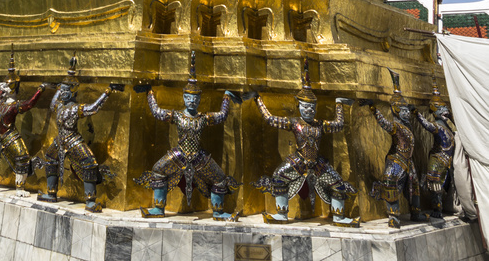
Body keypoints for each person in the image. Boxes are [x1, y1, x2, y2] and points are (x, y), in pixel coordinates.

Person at [134, 51, 240, 220]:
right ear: (183, 98)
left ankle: (218, 211)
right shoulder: (177, 116)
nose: (192, 101)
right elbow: (156, 112)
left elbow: (222, 115)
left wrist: (226, 96)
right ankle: (158, 208)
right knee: (158, 170)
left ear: (199, 100)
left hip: (198, 156)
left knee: (220, 178)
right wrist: (149, 92)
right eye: (189, 98)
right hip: (179, 154)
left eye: (195, 99)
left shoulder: (203, 118)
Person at [254, 57, 357, 226]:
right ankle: (281, 213)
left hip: (317, 163)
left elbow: (338, 125)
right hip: (299, 161)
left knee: (338, 183)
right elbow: (270, 119)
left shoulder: (320, 124)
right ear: (298, 106)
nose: (309, 110)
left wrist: (339, 104)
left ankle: (338, 216)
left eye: (312, 107)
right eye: (305, 106)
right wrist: (257, 99)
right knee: (278, 177)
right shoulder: (294, 123)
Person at [38, 55, 121, 212]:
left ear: (73, 91)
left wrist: (108, 91)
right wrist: (57, 86)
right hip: (60, 140)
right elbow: (52, 104)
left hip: (72, 139)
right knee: (50, 158)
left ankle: (90, 200)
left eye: (65, 91)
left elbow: (93, 108)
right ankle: (51, 192)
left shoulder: (75, 108)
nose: (62, 93)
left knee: (89, 162)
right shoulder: (60, 106)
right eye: (62, 90)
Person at [361, 70, 425, 228]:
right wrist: (373, 108)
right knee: (390, 184)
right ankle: (393, 215)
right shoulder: (395, 126)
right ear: (395, 110)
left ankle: (416, 212)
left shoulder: (407, 125)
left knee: (414, 187)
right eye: (402, 110)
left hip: (408, 161)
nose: (406, 113)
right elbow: (384, 124)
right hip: (395, 160)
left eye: (406, 110)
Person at [0, 48, 47, 195]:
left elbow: (29, 104)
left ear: (14, 87)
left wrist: (40, 89)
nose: (6, 87)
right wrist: (1, 90)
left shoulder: (14, 105)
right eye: (5, 84)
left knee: (23, 157)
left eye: (8, 85)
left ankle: (20, 188)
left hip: (11, 135)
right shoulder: (2, 104)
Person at [414, 82, 455, 218]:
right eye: (439, 107)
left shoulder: (449, 127)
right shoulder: (437, 126)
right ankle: (437, 209)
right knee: (435, 186)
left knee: (448, 184)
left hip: (447, 160)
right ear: (434, 110)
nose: (444, 110)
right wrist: (417, 115)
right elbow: (427, 126)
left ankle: (448, 206)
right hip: (437, 160)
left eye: (444, 107)